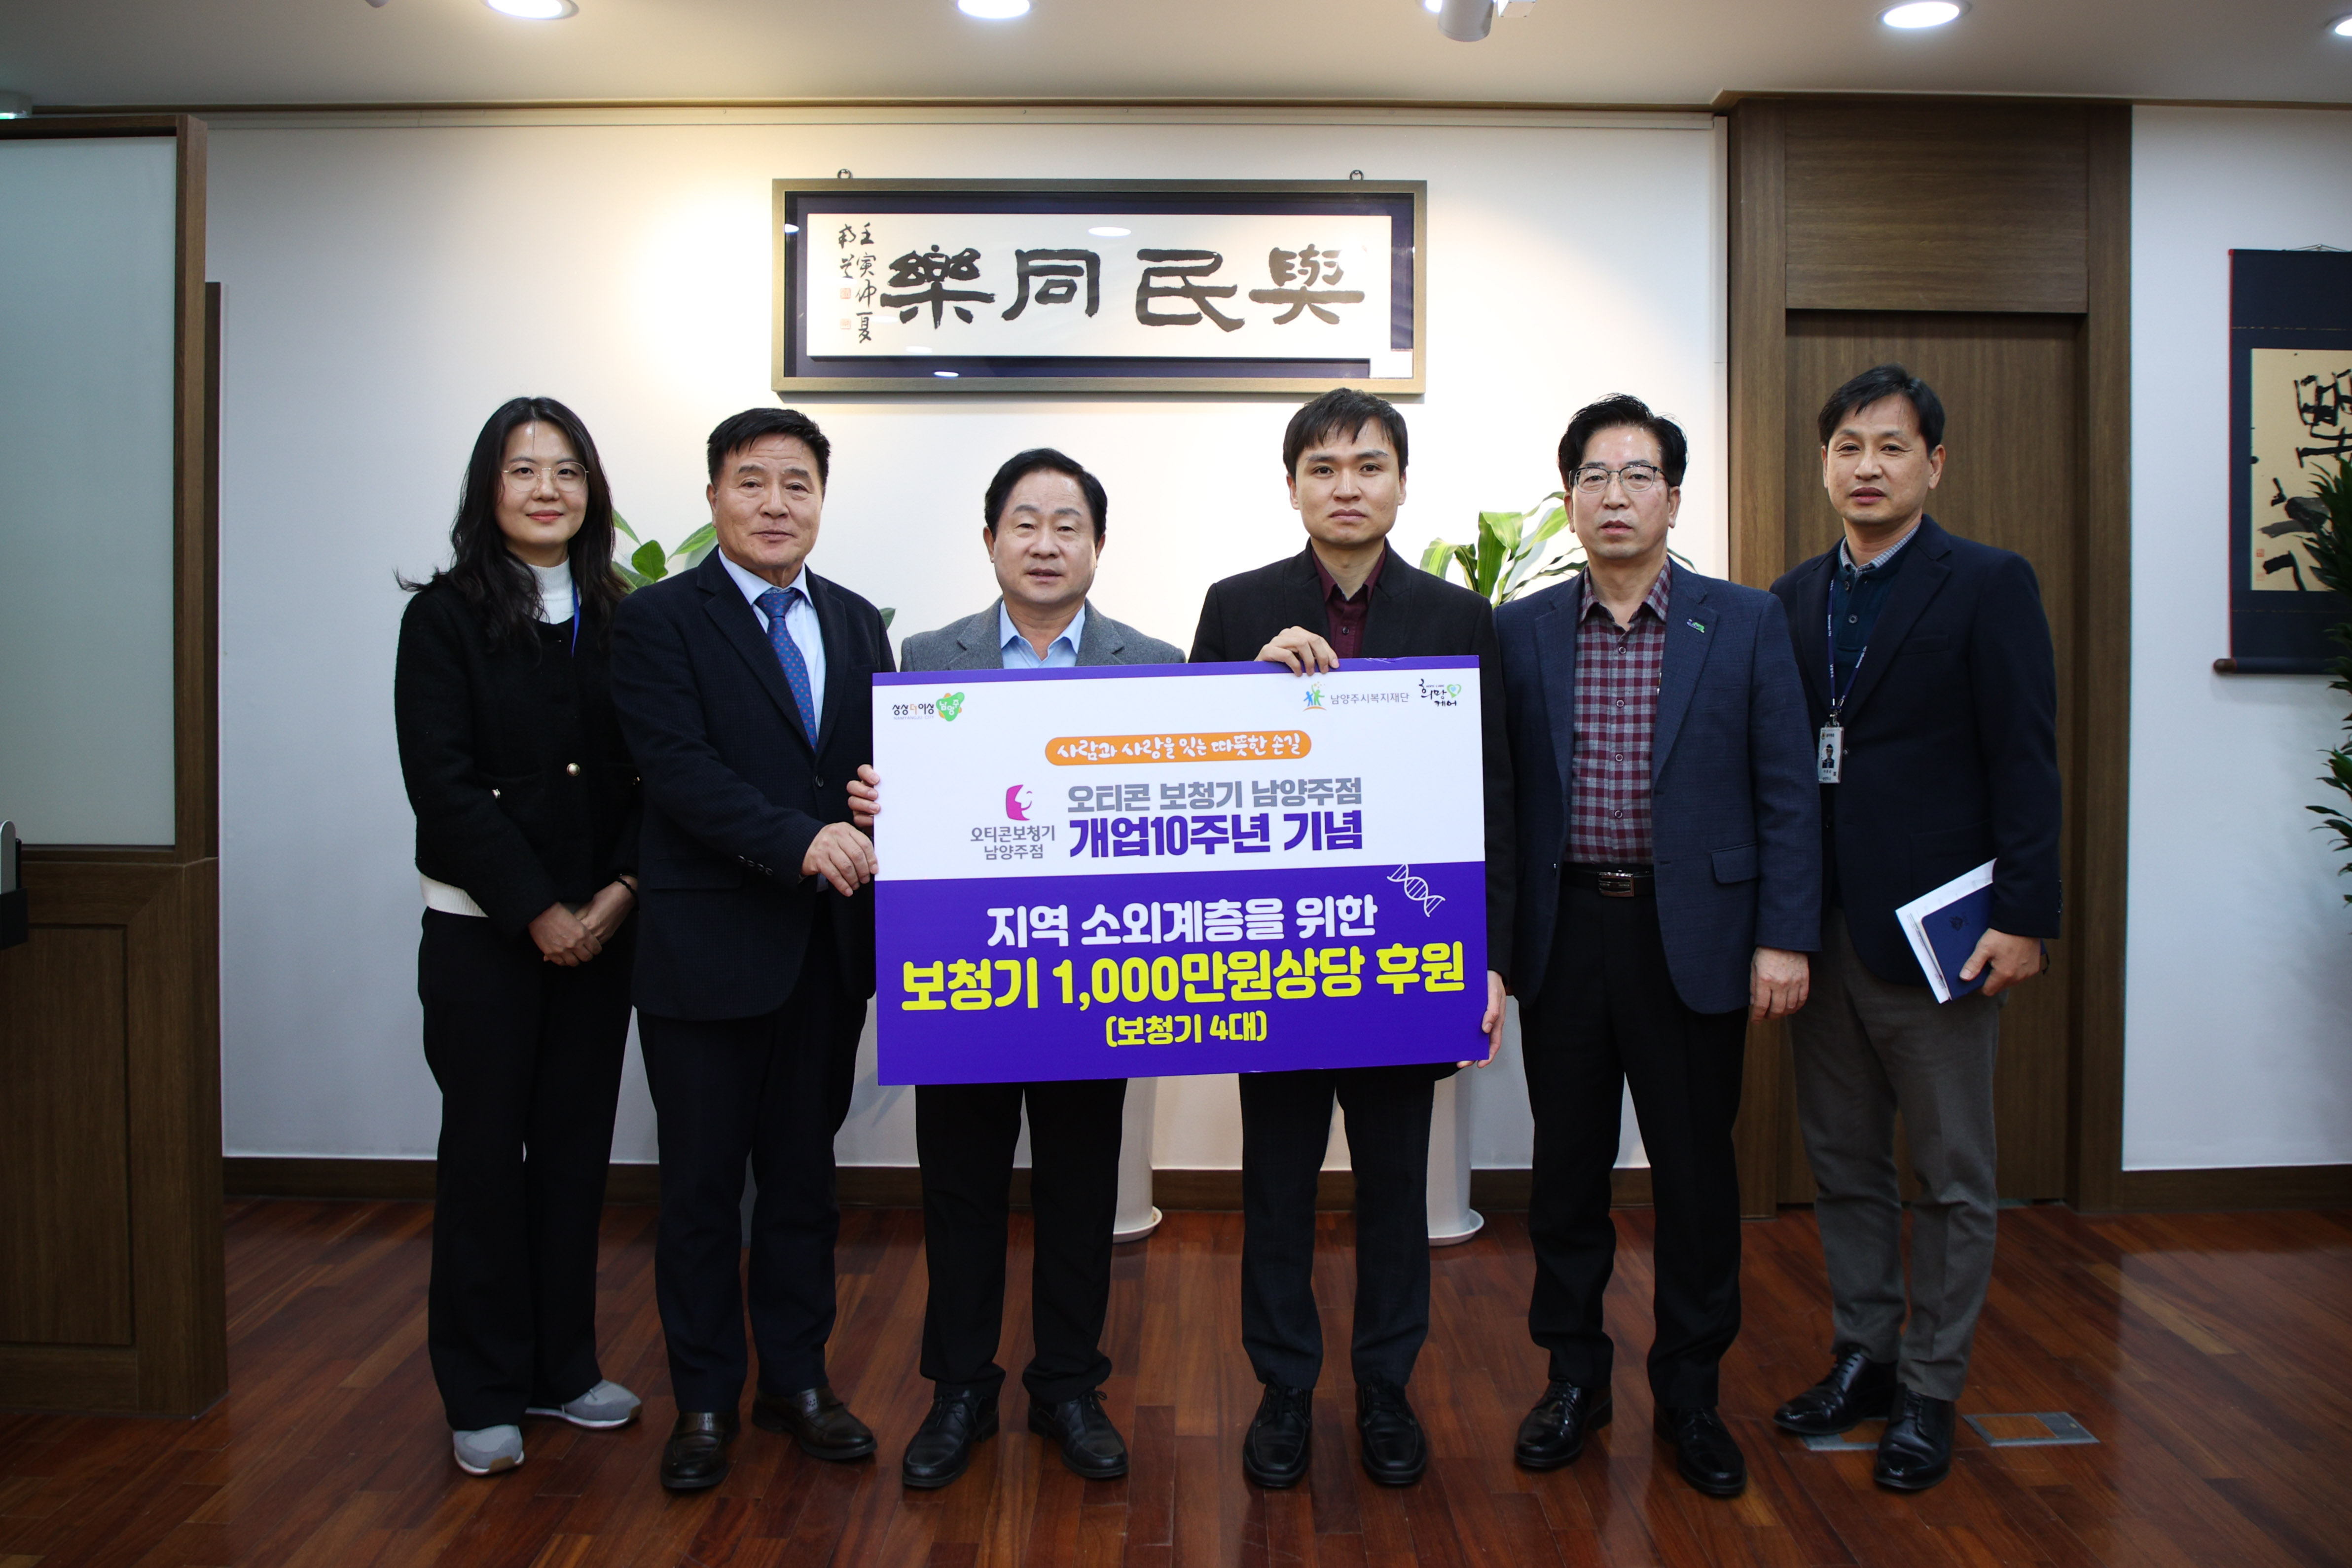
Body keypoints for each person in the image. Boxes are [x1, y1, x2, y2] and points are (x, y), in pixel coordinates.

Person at [1187, 387, 1514, 1490]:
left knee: (1394, 1189)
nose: (1346, 486)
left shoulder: (1459, 617)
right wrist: (1246, 692)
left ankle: (1385, 1387)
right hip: (1274, 956)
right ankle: (1283, 1388)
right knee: (1275, 1186)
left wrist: (1489, 957)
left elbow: (1491, 794)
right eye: (1322, 468)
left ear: (1401, 484)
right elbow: (1191, 778)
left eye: (1368, 465)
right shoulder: (1237, 607)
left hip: (1404, 954)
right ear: (1292, 487)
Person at [1493, 394, 1818, 1498]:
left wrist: (1784, 936)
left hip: (1697, 937)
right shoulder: (1523, 630)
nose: (1615, 495)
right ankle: (1572, 1379)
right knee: (1565, 1175)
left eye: (1638, 476)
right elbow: (1497, 797)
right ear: (1569, 500)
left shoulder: (1745, 622)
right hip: (1566, 931)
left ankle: (1689, 1394)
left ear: (1673, 499)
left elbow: (1787, 792)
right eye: (1593, 476)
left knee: (1693, 1177)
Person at [846, 448, 1183, 1490]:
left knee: (1081, 1191)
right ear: (990, 540)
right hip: (965, 974)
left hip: (1093, 978)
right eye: (1024, 523)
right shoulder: (925, 656)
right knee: (961, 1191)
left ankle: (1069, 1387)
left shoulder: (1153, 663)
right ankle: (959, 1390)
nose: (1045, 544)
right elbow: (907, 810)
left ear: (1099, 545)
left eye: (1067, 525)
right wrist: (876, 802)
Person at [1767, 365, 2060, 1493]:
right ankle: (1868, 1357)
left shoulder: (1987, 583)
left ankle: (1933, 1388)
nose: (1868, 467)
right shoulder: (1793, 597)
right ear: (1824, 463)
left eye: (1892, 447)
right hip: (1823, 930)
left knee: (1951, 1175)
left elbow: (2026, 760)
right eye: (1848, 446)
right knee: (1844, 1166)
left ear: (1933, 465)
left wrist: (2025, 916)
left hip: (1941, 938)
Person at [609, 407, 895, 1492]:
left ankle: (797, 1383)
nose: (776, 505)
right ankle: (703, 1401)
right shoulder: (658, 621)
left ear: (821, 499)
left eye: (796, 484)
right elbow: (677, 771)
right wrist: (799, 840)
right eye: (751, 482)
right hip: (705, 953)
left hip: (824, 954)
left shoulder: (857, 621)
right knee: (698, 1192)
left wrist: (887, 799)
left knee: (802, 1185)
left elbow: (873, 766)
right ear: (714, 497)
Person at [394, 396, 645, 1478]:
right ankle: (484, 1390)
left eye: (568, 471)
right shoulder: (443, 617)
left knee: (575, 1156)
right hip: (486, 935)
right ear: (487, 489)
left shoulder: (625, 614)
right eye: (523, 469)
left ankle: (563, 1369)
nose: (548, 489)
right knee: (485, 1160)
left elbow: (654, 769)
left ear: (593, 491)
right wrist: (539, 909)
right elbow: (442, 786)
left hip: (604, 928)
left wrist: (619, 892)